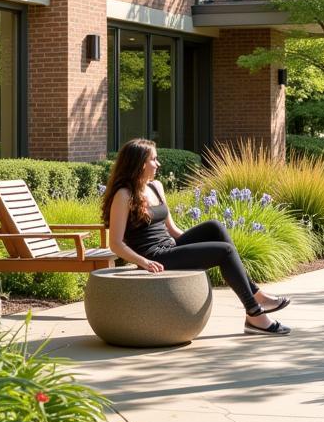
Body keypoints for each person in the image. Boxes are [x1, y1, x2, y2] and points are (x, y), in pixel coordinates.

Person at [102, 139, 291, 335]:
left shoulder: (155, 186)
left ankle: (256, 294)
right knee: (224, 251)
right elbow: (115, 243)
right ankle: (254, 311)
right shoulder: (124, 195)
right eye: (154, 159)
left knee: (214, 227)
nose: (158, 164)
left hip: (169, 246)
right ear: (140, 163)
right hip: (153, 256)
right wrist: (144, 262)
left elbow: (173, 230)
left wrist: (198, 246)